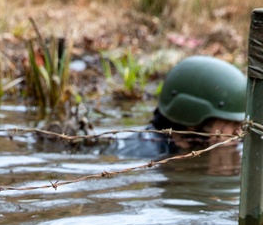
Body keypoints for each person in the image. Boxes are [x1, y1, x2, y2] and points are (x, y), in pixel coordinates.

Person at [101, 55, 247, 172]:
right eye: (231, 123)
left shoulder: (177, 147)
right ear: (193, 119)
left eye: (240, 124)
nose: (238, 132)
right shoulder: (143, 155)